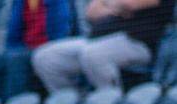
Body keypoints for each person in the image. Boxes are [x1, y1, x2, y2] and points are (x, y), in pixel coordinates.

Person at [31, 0, 175, 92]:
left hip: (139, 42)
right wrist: (116, 5)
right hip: (97, 38)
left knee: (94, 54)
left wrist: (107, 4)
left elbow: (130, 3)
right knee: (46, 56)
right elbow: (91, 12)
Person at [0, 0, 72, 101]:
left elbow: (60, 30)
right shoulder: (20, 2)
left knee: (15, 59)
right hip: (23, 47)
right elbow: (13, 33)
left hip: (47, 47)